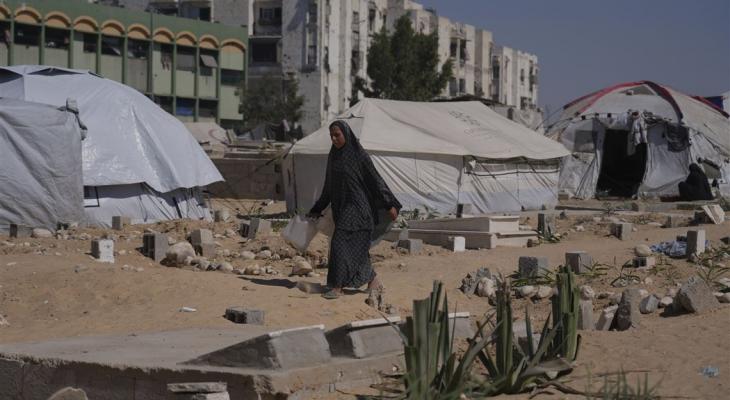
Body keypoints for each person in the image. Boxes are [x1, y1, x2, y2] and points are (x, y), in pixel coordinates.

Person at [307, 120, 401, 302]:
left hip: (359, 209)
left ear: (346, 134)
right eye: (331, 136)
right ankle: (373, 280)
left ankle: (337, 286)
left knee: (339, 243)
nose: (334, 139)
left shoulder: (359, 155)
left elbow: (375, 180)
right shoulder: (333, 156)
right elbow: (328, 186)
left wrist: (389, 204)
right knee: (357, 249)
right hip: (342, 209)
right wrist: (317, 208)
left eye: (337, 135)